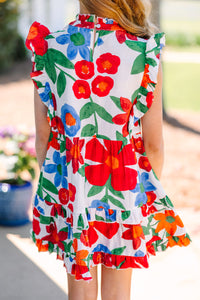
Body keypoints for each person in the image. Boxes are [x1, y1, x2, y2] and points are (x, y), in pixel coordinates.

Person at [26, 1, 191, 299]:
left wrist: (61, 184)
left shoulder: (49, 48)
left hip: (71, 185)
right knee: (117, 293)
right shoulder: (143, 53)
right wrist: (142, 196)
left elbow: (43, 137)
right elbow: (153, 145)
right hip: (124, 184)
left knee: (80, 288)